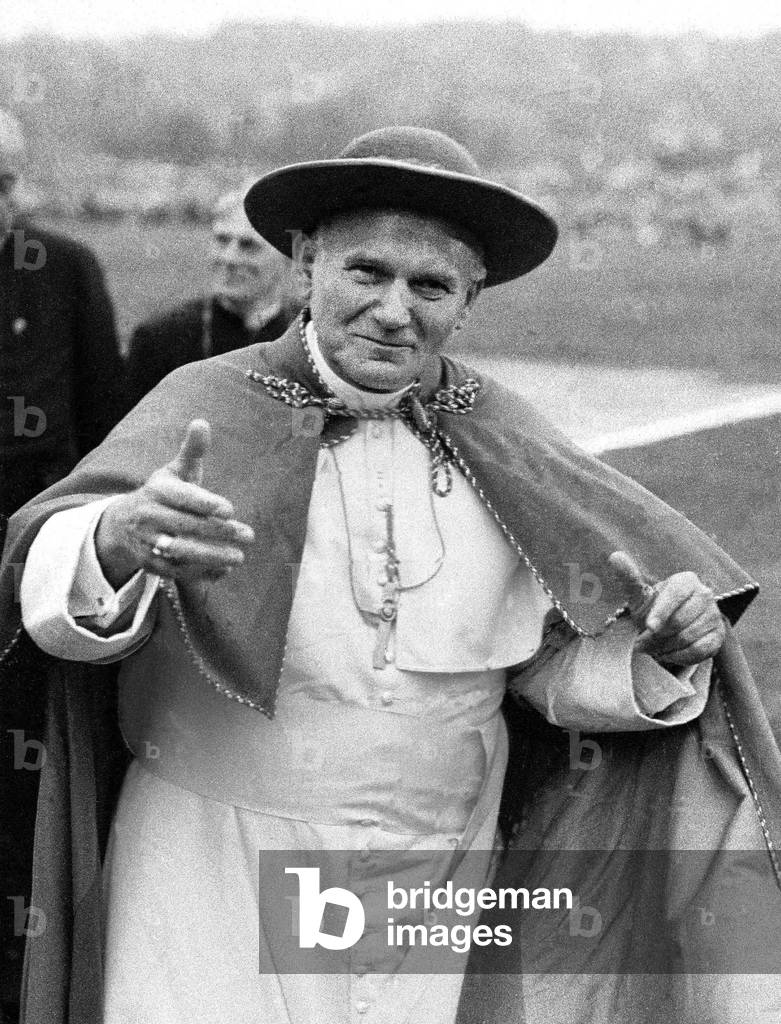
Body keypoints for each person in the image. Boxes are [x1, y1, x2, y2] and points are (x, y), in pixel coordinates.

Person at [1, 127, 779, 1024]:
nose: (393, 310)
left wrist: (654, 657)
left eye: (431, 285)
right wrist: (114, 541)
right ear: (304, 266)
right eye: (366, 273)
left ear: (470, 300)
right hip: (211, 857)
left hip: (434, 872)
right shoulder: (203, 405)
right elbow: (47, 587)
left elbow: (538, 668)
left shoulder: (508, 439)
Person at [0, 109, 126, 1024]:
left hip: (28, 585)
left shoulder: (65, 272)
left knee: (26, 804)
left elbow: (107, 431)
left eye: (5, 184)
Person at [125, 187, 297, 406]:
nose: (229, 258)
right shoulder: (160, 338)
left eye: (248, 245)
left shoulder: (309, 334)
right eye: (222, 240)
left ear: (287, 254)